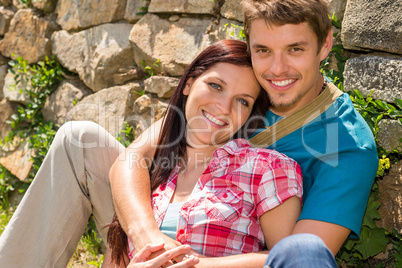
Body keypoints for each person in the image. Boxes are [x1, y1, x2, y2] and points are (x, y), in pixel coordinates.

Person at [109, 0, 378, 266]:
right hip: (152, 217)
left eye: (295, 49)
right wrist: (146, 237)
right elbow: (131, 159)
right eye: (263, 50)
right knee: (79, 140)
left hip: (231, 253)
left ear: (325, 45)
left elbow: (301, 256)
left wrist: (185, 263)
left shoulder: (350, 148)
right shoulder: (236, 87)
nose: (277, 69)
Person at [103, 39, 303, 267]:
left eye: (242, 101)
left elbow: (289, 259)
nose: (224, 107)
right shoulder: (151, 174)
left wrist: (191, 264)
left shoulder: (268, 167)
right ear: (188, 84)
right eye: (216, 86)